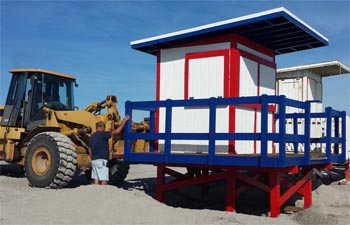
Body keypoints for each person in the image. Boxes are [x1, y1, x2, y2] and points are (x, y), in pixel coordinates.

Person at [88, 115, 130, 185]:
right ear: (101, 127)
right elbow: (117, 131)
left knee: (96, 178)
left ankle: (95, 192)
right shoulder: (103, 134)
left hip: (94, 160)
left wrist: (92, 157)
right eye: (104, 128)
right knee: (104, 178)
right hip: (102, 160)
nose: (104, 129)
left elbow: (89, 149)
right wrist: (124, 121)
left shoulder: (91, 137)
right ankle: (103, 192)